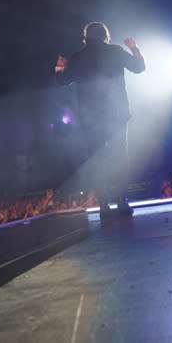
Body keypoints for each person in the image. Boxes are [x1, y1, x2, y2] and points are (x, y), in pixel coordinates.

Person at [55, 22, 145, 218]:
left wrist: (59, 66)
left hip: (91, 119)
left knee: (97, 161)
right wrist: (133, 47)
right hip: (116, 115)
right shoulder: (115, 51)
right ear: (106, 36)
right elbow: (140, 68)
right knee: (120, 157)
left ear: (86, 38)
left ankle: (104, 204)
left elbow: (61, 80)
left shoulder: (77, 57)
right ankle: (122, 201)